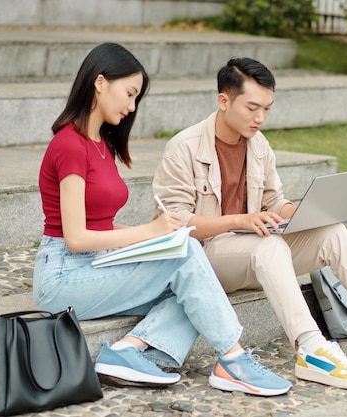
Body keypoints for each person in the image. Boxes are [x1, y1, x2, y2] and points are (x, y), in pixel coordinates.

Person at [152, 57, 347, 390]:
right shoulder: (184, 147)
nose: (260, 118)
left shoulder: (259, 145)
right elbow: (175, 223)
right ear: (224, 100)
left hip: (255, 249)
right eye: (253, 108)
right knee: (270, 246)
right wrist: (240, 220)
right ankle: (311, 349)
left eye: (267, 108)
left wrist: (296, 211)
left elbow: (272, 202)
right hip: (207, 257)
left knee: (331, 232)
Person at [32, 44, 292, 397]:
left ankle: (128, 349)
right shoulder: (69, 145)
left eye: (136, 97)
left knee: (193, 282)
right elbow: (76, 237)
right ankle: (233, 358)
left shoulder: (101, 144)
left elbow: (102, 225)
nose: (131, 106)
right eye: (129, 93)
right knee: (187, 255)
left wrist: (159, 236)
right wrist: (149, 232)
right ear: (99, 83)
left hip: (94, 264)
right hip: (63, 274)